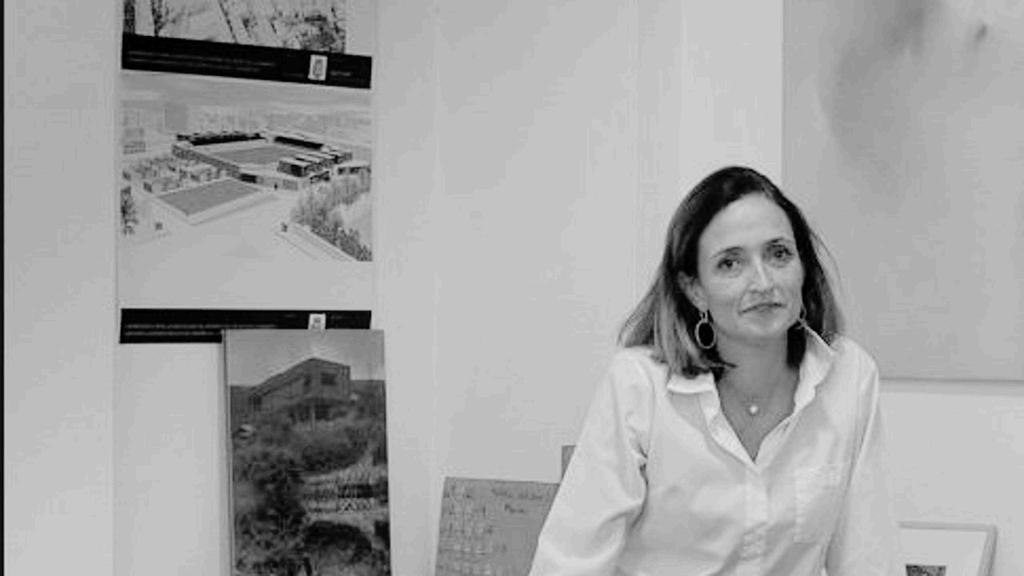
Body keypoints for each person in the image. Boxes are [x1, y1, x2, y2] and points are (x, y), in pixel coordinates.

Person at [529, 166, 902, 576]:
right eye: (730, 263)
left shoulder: (849, 377)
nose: (763, 282)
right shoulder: (639, 386)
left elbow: (869, 556)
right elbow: (569, 562)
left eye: (778, 254)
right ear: (694, 289)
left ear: (803, 267)